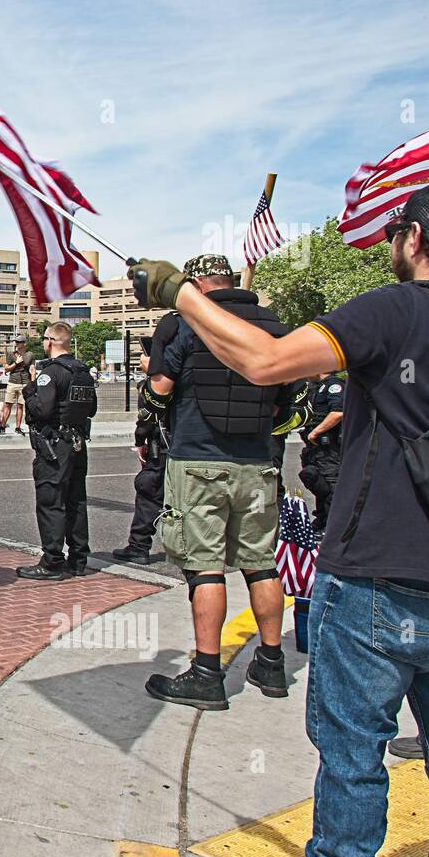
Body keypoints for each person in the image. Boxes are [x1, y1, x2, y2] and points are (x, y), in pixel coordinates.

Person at [129, 177, 429, 857]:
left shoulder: (398, 309)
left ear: (416, 241)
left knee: (352, 757)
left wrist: (175, 294)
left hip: (376, 573)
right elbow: (284, 388)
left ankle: (208, 668)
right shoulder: (287, 312)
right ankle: (272, 660)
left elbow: (264, 360)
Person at [131, 255, 305, 711]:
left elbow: (160, 389)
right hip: (259, 462)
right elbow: (289, 406)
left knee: (204, 565)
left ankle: (207, 673)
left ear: (198, 285)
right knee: (261, 563)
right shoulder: (276, 327)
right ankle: (271, 662)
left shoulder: (193, 327)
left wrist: (150, 398)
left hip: (199, 459)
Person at [17, 322, 98, 580]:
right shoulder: (82, 371)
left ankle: (52, 561)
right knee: (76, 500)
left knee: (51, 500)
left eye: (43, 338)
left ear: (51, 341)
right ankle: (78, 559)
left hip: (55, 445)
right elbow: (92, 409)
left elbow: (42, 410)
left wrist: (29, 390)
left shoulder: (50, 373)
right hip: (77, 442)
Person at [114, 314, 180, 565]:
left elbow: (149, 414)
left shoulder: (157, 381)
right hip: (188, 445)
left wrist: (140, 439)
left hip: (162, 445)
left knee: (149, 492)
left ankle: (139, 546)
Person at [297, 370, 346, 533]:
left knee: (331, 486)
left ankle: (332, 526)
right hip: (314, 448)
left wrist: (316, 431)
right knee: (315, 480)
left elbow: (337, 413)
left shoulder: (334, 386)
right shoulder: (315, 387)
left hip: (329, 448)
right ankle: (322, 519)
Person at [0, 335, 32, 435]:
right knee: (8, 404)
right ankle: (2, 426)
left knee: (20, 406)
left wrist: (32, 384)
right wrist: (16, 363)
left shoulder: (30, 355)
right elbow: (6, 369)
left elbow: (32, 369)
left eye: (19, 342)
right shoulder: (11, 355)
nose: (16, 344)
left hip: (24, 383)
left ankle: (18, 427)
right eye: (16, 342)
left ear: (24, 343)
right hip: (12, 382)